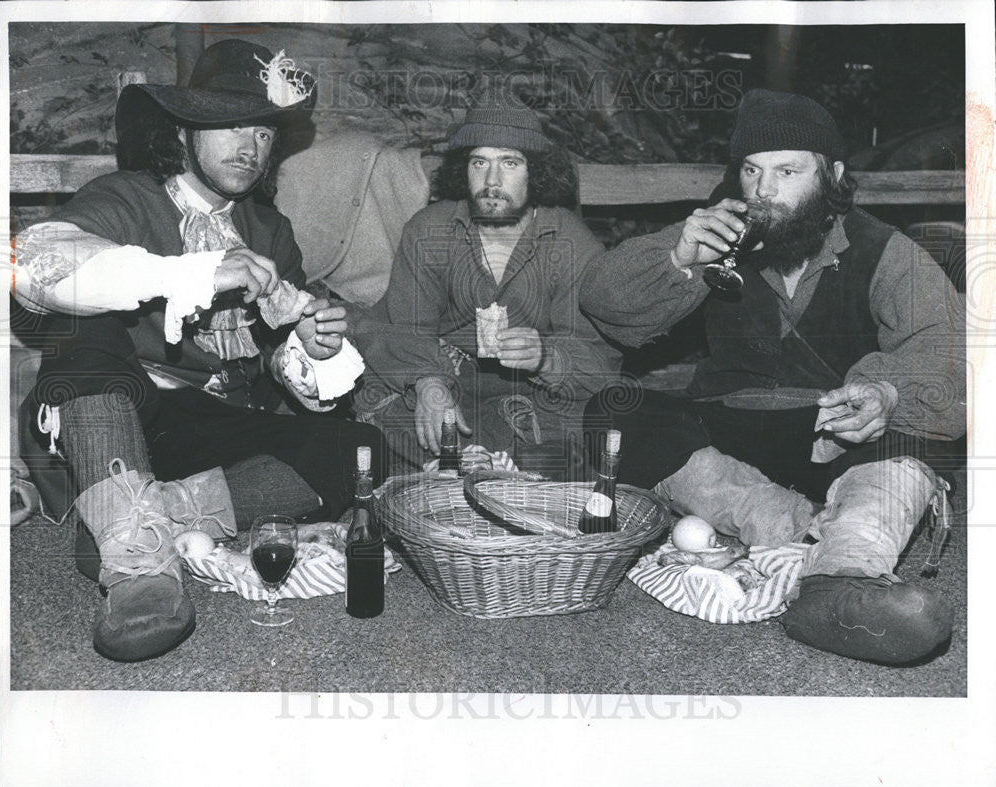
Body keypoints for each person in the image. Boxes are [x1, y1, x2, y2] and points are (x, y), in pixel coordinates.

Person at [12, 40, 384, 662]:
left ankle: (136, 524)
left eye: (264, 132)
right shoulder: (127, 195)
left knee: (364, 450)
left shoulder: (270, 230)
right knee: (83, 329)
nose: (250, 145)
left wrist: (309, 350)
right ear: (183, 132)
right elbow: (30, 264)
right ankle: (140, 578)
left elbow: (264, 362)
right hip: (112, 412)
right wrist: (187, 275)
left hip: (205, 431)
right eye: (230, 125)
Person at [581, 89, 966, 665]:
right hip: (733, 432)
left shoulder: (885, 251)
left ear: (832, 175)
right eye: (752, 171)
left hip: (840, 437)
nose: (764, 190)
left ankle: (840, 581)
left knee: (919, 438)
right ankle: (798, 533)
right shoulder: (715, 236)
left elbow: (951, 353)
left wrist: (887, 393)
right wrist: (678, 257)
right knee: (614, 413)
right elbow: (604, 304)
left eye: (788, 171)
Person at [354, 96, 621, 478]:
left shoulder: (569, 241)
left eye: (510, 163)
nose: (491, 182)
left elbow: (599, 362)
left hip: (529, 394)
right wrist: (429, 381)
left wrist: (546, 356)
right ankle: (470, 470)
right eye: (480, 162)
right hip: (449, 379)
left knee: (586, 422)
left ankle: (468, 471)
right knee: (377, 397)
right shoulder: (430, 229)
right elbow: (404, 328)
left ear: (537, 172)